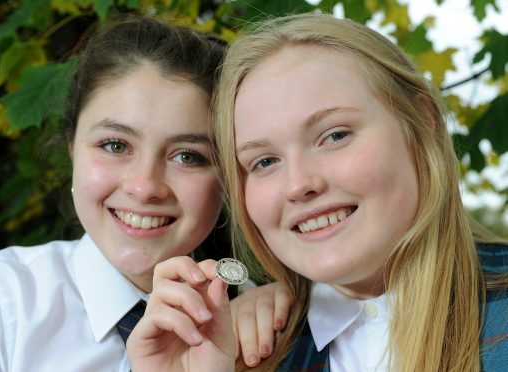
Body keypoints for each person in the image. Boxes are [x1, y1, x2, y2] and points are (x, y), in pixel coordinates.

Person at [0, 16, 290, 371]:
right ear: (72, 147)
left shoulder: (259, 331)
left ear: (227, 176)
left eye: (188, 156)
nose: (145, 187)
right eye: (115, 145)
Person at [208, 12, 508, 371]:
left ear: (422, 124)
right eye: (265, 161)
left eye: (335, 136)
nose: (299, 184)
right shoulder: (243, 355)